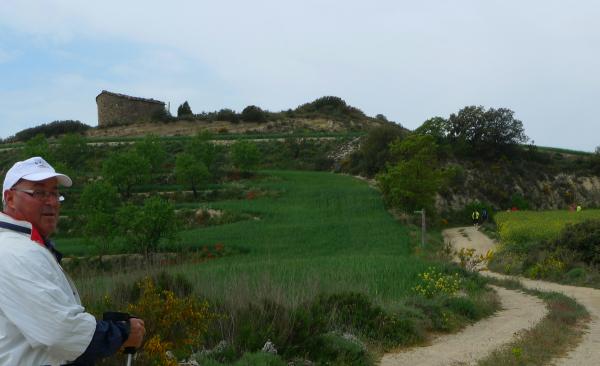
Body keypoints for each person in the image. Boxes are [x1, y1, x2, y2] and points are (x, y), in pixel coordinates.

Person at [0, 157, 145, 365]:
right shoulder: (15, 251)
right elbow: (60, 332)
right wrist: (122, 333)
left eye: (54, 193)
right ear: (10, 198)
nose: (50, 201)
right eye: (39, 193)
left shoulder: (23, 246)